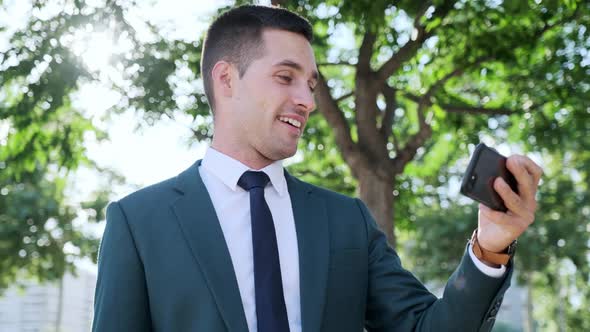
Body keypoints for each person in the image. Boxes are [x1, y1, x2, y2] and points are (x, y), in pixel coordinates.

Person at [92, 5, 543, 332]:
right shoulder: (138, 222)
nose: (307, 101)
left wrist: (489, 247)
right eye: (285, 77)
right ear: (226, 79)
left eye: (311, 84)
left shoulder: (345, 221)